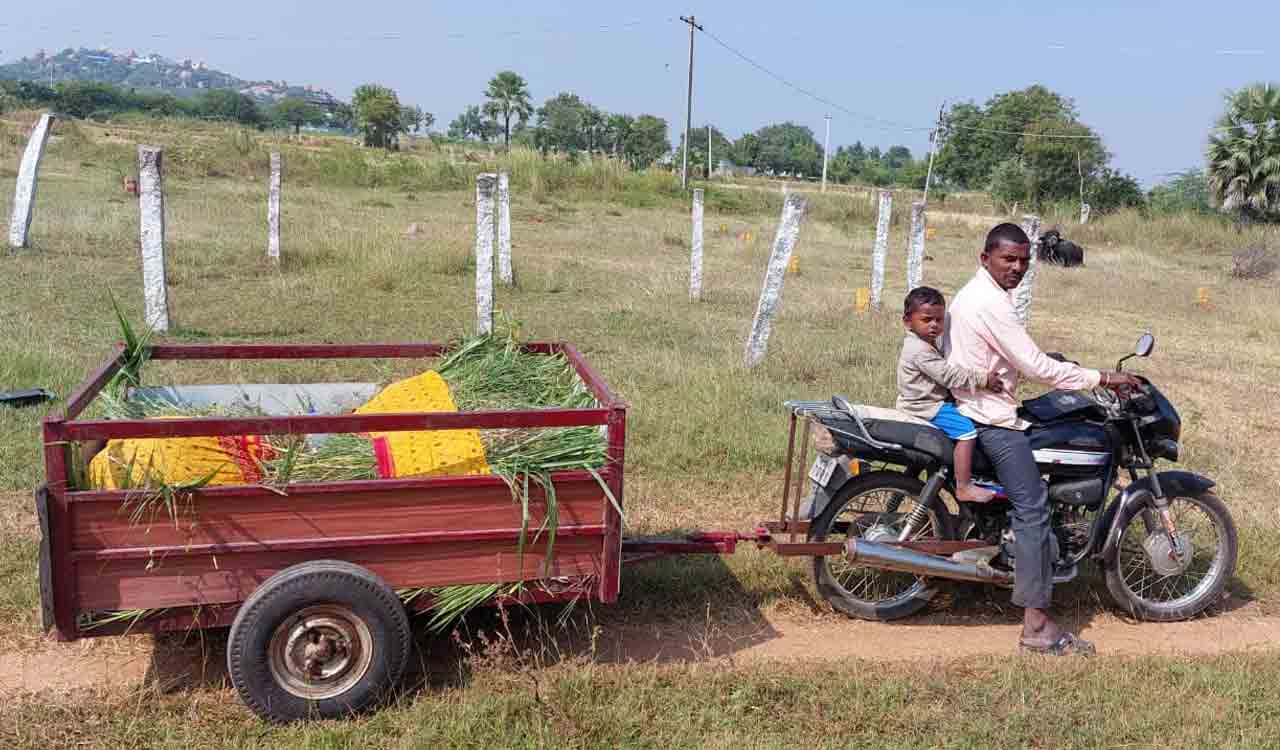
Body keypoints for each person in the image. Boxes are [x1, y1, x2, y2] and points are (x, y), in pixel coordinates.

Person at [944, 222, 1141, 656]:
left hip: (971, 407)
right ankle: (1036, 627)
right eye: (1007, 259)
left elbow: (1015, 356)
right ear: (985, 258)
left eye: (1022, 261)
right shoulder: (990, 303)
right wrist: (1103, 377)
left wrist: (1044, 362)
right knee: (1032, 509)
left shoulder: (978, 293)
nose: (1016, 267)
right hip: (988, 419)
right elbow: (1037, 366)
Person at [895, 286, 1003, 503]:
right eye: (927, 320)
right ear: (908, 321)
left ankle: (898, 495)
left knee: (921, 460)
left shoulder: (922, 343)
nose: (934, 325)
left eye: (939, 319)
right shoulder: (920, 350)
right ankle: (964, 486)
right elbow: (948, 376)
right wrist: (983, 380)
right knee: (967, 433)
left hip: (915, 403)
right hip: (927, 406)